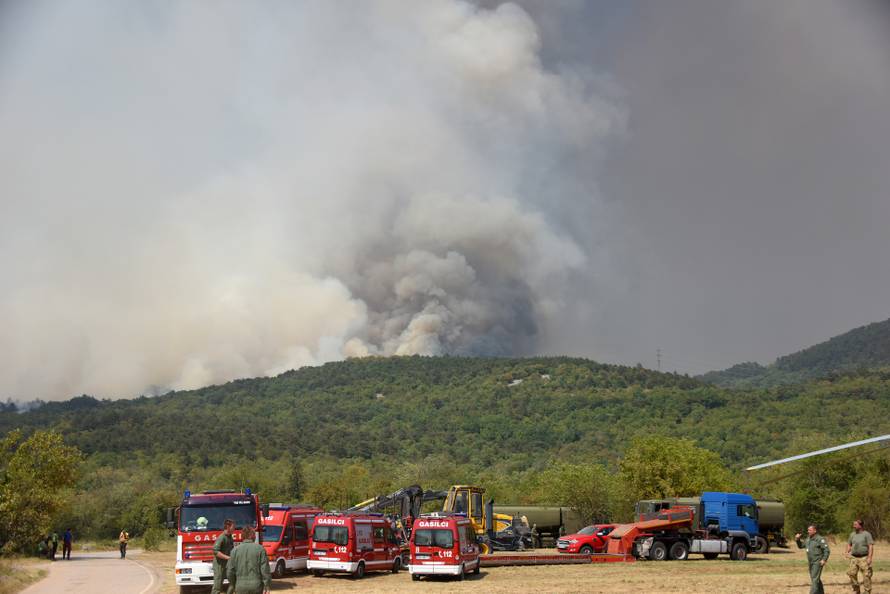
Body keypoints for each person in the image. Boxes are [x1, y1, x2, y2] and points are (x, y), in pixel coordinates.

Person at [226, 526, 271, 594]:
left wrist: (233, 584)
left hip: (240, 586)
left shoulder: (234, 550)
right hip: (256, 586)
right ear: (254, 536)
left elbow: (230, 571)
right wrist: (266, 585)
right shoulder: (260, 549)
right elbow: (265, 570)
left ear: (242, 537)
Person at [796, 525, 830, 594]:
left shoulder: (820, 539)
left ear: (815, 531)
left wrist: (824, 559)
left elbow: (827, 550)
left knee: (814, 579)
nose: (808, 531)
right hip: (810, 562)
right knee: (815, 579)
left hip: (818, 562)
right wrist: (798, 540)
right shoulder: (808, 539)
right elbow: (801, 546)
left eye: (810, 530)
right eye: (808, 530)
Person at [845, 519, 874, 594]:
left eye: (855, 525)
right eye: (853, 524)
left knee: (866, 576)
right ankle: (857, 590)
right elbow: (849, 544)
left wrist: (870, 557)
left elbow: (870, 546)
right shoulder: (852, 534)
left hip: (864, 558)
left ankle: (867, 592)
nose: (853, 526)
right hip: (854, 557)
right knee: (851, 574)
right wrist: (846, 552)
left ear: (860, 525)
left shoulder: (866, 534)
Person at [211, 519, 235, 594]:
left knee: (233, 582)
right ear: (228, 527)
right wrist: (228, 558)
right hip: (219, 565)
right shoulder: (221, 537)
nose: (234, 528)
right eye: (233, 527)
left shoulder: (230, 537)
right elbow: (215, 551)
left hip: (227, 565)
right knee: (217, 586)